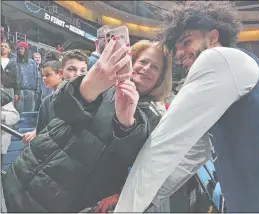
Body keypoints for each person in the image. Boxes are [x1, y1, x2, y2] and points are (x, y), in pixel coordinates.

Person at [114, 2, 259, 212]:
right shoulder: (248, 71)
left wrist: (124, 208)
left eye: (186, 41)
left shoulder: (218, 58)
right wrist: (148, 200)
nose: (179, 53)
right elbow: (193, 153)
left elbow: (163, 145)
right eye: (176, 48)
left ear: (213, 37)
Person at [2, 39, 172, 212]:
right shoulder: (104, 81)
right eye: (143, 61)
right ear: (132, 60)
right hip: (23, 173)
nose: (146, 68)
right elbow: (59, 108)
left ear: (161, 78)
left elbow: (143, 169)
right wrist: (87, 89)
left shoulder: (157, 119)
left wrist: (127, 125)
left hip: (62, 200)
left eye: (155, 67)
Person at [22, 50, 88, 144]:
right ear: (61, 73)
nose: (78, 74)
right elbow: (42, 133)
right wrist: (36, 133)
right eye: (71, 69)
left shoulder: (93, 101)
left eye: (83, 70)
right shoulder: (46, 103)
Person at [14, 41, 39, 113]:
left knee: (29, 114)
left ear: (26, 50)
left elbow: (36, 77)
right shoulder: (14, 62)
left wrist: (36, 92)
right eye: (18, 49)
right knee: (19, 113)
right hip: (19, 91)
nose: (20, 50)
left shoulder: (32, 63)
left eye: (22, 49)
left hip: (31, 91)